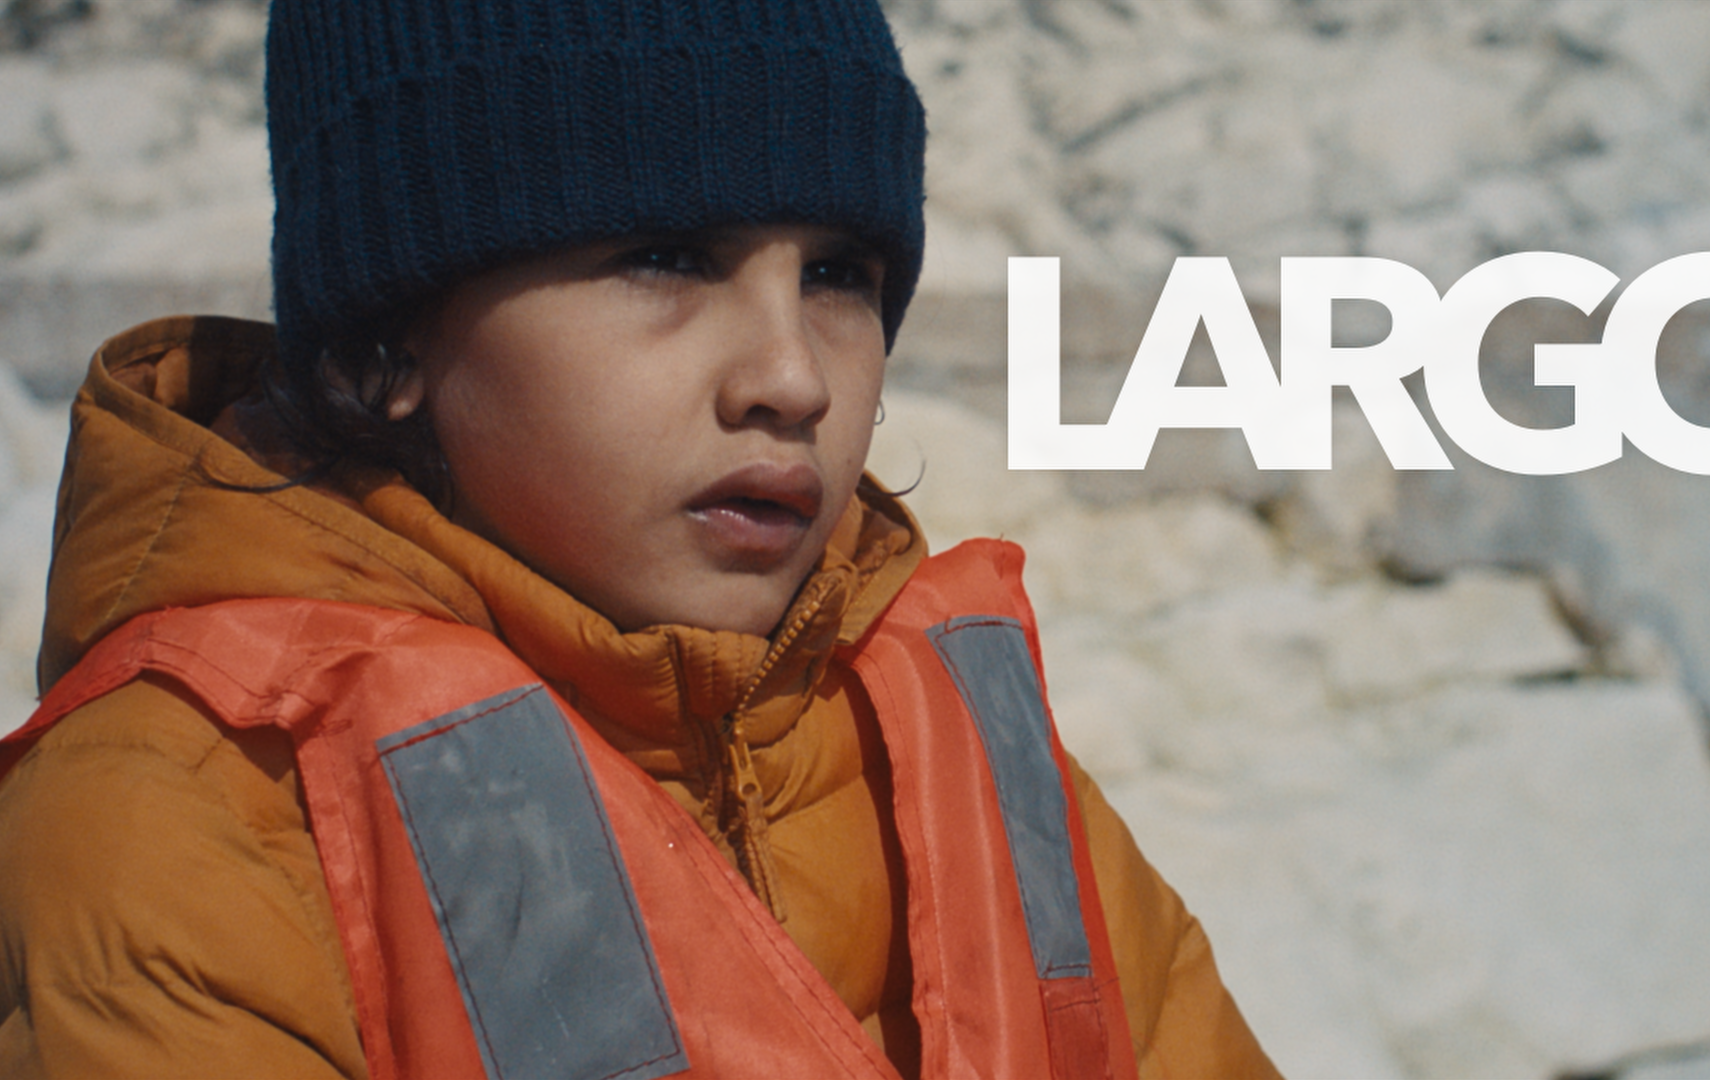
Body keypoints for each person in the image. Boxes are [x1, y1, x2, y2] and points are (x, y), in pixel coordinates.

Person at [0, 0, 1278, 1077]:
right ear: (382, 348)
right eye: (668, 257)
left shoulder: (955, 739)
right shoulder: (189, 816)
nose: (792, 377)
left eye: (837, 274)